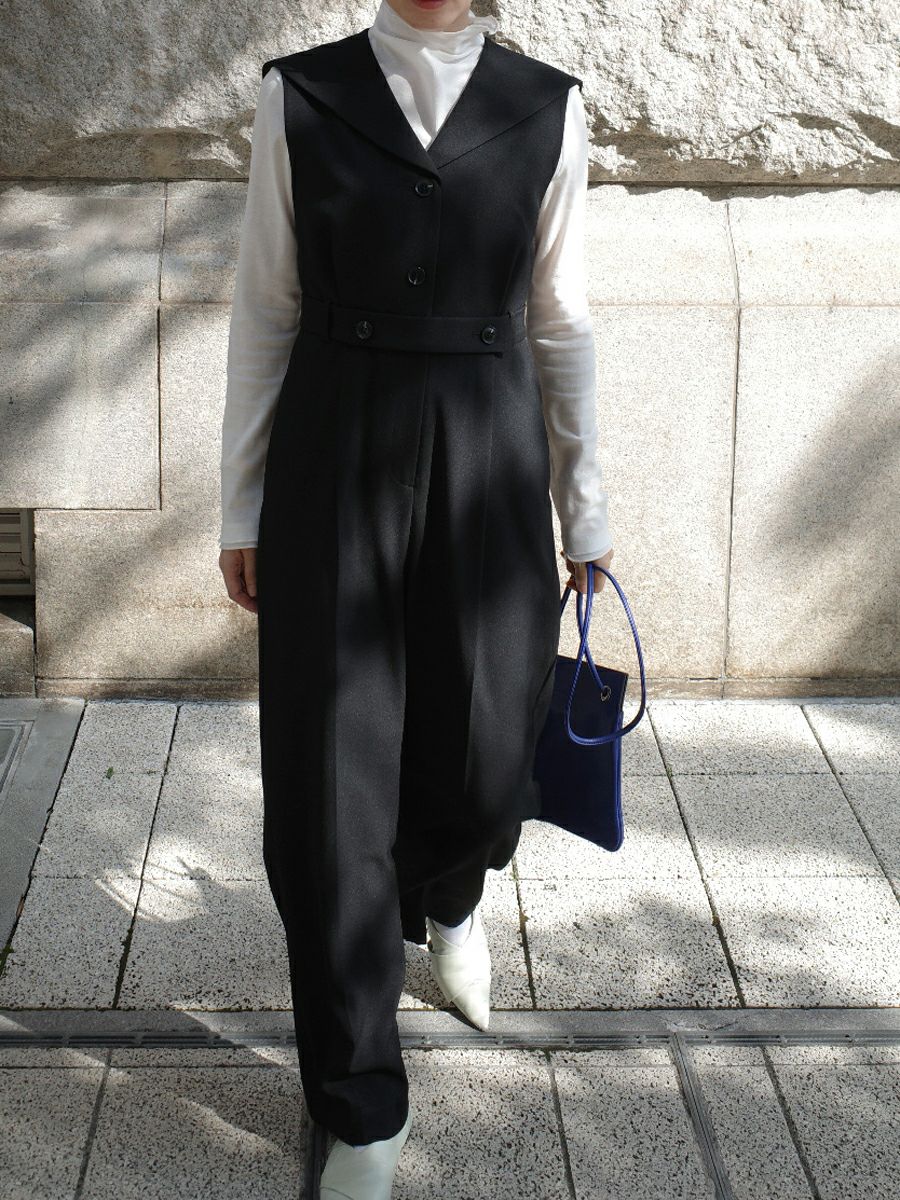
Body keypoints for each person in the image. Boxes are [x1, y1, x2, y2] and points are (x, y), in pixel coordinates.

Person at [218, 1, 614, 1194]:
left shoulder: (547, 106)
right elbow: (265, 306)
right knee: (331, 787)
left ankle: (450, 890)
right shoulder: (302, 95)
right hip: (332, 457)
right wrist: (242, 506)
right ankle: (360, 1106)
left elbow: (563, 316)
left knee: (488, 748)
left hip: (492, 458)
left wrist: (586, 508)